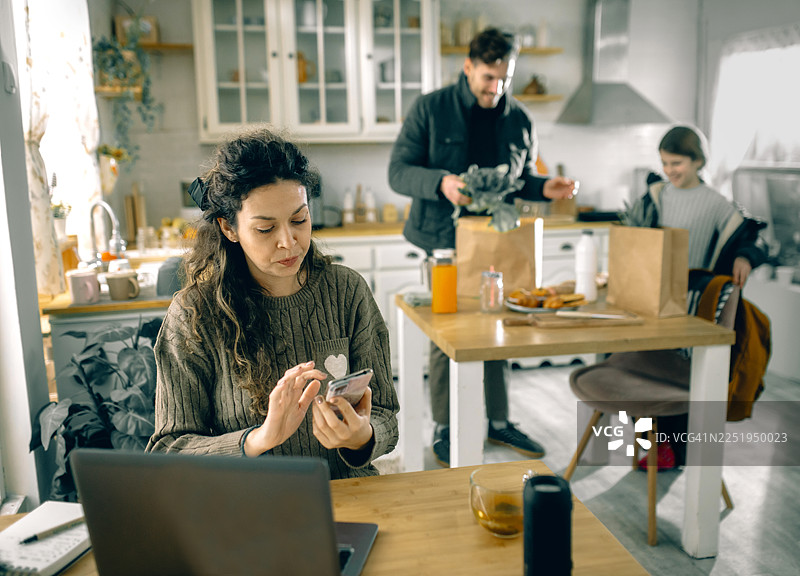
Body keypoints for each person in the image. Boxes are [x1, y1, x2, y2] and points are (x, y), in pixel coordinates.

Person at [146, 126, 399, 480]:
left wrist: (363, 437)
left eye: (300, 219)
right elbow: (169, 451)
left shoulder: (347, 291)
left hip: (344, 496)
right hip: (248, 506)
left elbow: (386, 414)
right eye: (265, 229)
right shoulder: (193, 315)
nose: (289, 242)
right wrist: (259, 438)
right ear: (229, 228)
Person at [387, 28, 577, 467]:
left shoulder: (520, 119)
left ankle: (499, 421)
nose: (497, 88)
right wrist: (442, 182)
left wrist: (545, 187)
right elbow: (397, 172)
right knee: (445, 333)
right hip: (442, 242)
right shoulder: (430, 108)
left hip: (498, 241)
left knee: (500, 327)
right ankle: (445, 427)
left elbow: (522, 178)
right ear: (468, 66)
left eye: (504, 78)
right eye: (488, 78)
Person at [635, 124, 768, 470]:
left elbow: (757, 238)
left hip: (694, 305)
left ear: (697, 161)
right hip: (652, 298)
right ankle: (647, 444)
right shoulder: (656, 196)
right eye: (665, 163)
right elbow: (635, 233)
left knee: (680, 376)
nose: (669, 171)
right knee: (644, 368)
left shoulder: (718, 203)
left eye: (676, 163)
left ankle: (672, 451)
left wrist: (745, 257)